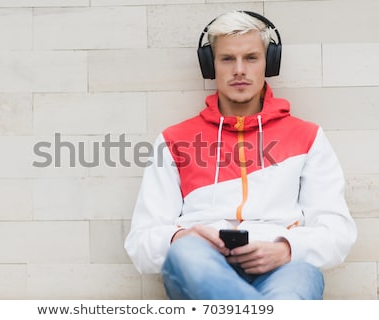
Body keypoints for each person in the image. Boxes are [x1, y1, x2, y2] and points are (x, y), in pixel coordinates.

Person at [124, 10, 357, 300]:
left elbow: (337, 232)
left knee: (301, 276)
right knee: (185, 253)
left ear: (268, 63)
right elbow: (141, 242)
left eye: (250, 58)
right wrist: (179, 238)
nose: (239, 70)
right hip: (200, 265)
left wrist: (287, 248)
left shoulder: (308, 137)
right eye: (227, 59)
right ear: (211, 66)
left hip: (284, 267)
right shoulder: (174, 141)